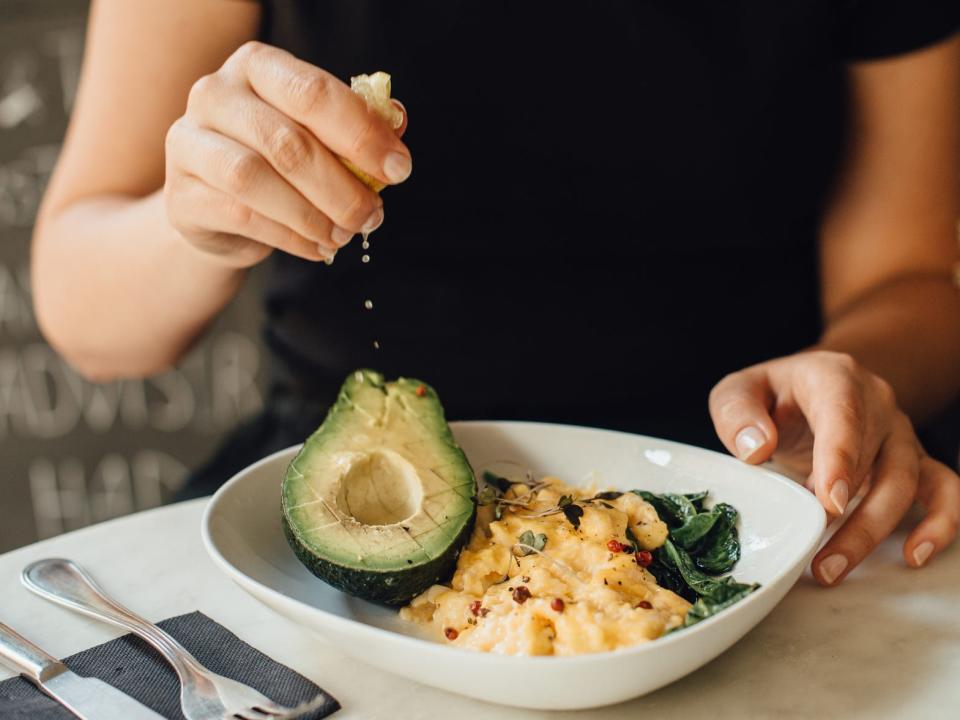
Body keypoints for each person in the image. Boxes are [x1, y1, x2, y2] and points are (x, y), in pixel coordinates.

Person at [31, 1, 960, 588]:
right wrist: (193, 223)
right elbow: (88, 316)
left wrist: (855, 380)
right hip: (329, 509)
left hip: (755, 490)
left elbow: (910, 279)